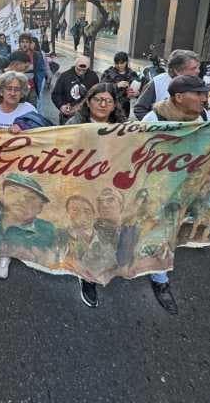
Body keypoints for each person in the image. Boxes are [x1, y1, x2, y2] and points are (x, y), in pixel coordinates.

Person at [139, 75, 210, 314]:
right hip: (157, 189)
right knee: (159, 233)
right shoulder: (154, 118)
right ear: (179, 97)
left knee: (172, 233)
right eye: (198, 94)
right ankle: (160, 281)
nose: (204, 97)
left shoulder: (204, 117)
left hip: (187, 188)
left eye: (204, 93)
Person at [65, 83, 125, 307]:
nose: (103, 104)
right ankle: (87, 277)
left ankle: (107, 264)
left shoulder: (123, 126)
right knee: (85, 230)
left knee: (110, 229)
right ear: (88, 101)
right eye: (98, 99)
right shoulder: (75, 124)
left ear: (114, 105)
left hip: (111, 187)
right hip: (83, 186)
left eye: (108, 101)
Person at [0, 173, 55, 279]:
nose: (21, 200)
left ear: (40, 207)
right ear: (2, 195)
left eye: (31, 197)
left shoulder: (46, 229)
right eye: (13, 192)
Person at [133, 49, 200, 120]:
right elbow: (139, 109)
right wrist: (158, 125)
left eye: (198, 67)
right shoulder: (157, 83)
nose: (198, 71)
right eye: (193, 68)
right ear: (177, 71)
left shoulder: (198, 83)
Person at [52, 56, 100, 125]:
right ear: (75, 65)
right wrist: (62, 106)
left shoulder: (93, 76)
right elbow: (56, 94)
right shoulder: (64, 76)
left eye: (84, 70)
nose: (81, 72)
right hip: (68, 115)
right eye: (79, 69)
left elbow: (97, 95)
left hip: (86, 116)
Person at [101, 52, 140, 119]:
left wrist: (137, 93)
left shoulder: (132, 74)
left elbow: (141, 90)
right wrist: (116, 85)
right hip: (109, 106)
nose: (119, 65)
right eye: (117, 63)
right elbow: (101, 87)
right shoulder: (108, 73)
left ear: (126, 62)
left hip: (125, 108)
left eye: (122, 63)